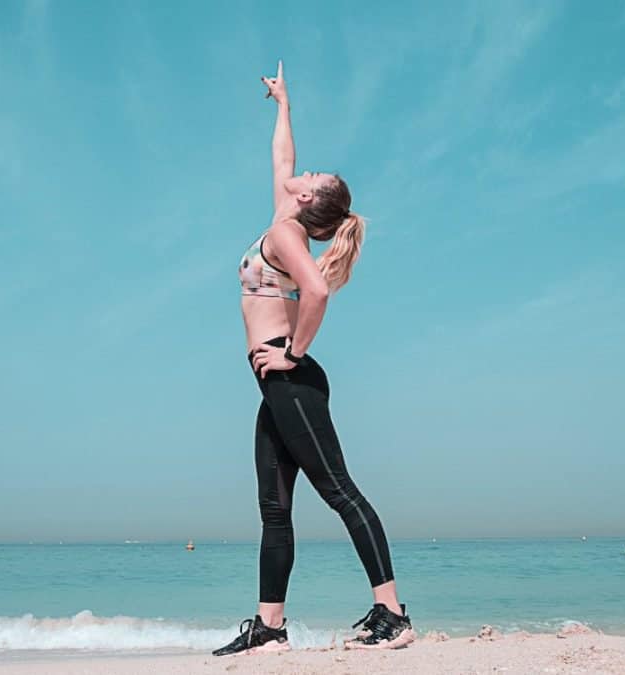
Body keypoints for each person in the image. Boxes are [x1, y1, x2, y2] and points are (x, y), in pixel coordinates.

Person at [212, 61, 414, 657]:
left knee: (339, 491)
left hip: (290, 377)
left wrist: (292, 354)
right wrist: (283, 106)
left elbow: (318, 293)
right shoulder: (285, 218)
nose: (304, 169)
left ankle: (393, 615)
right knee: (274, 509)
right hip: (278, 384)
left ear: (309, 196)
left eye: (313, 174)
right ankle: (270, 629)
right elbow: (281, 159)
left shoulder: (285, 237)